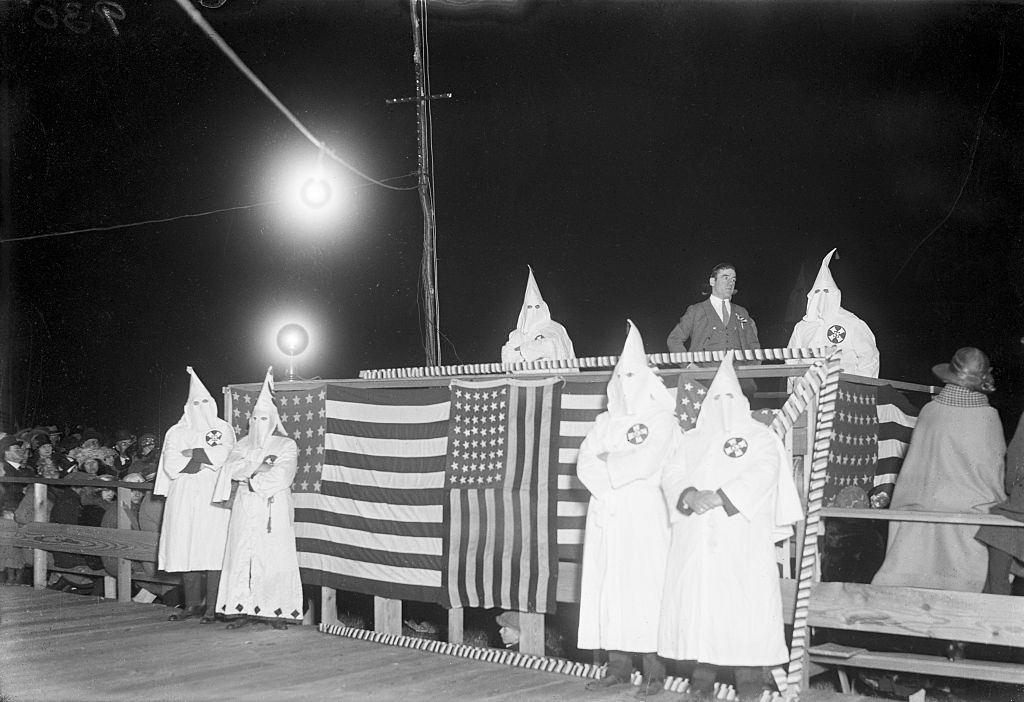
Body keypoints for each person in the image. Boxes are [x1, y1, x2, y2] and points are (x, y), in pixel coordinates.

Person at [658, 351, 803, 702]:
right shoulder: (692, 439)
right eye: (717, 398)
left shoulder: (760, 437)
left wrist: (723, 497)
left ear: (740, 401)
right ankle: (701, 686)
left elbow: (765, 471)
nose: (723, 405)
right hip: (696, 539)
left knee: (744, 615)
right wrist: (690, 495)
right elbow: (672, 473)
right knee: (702, 614)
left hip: (740, 538)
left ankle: (750, 688)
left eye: (729, 398)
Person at [577, 321, 679, 697]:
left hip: (645, 515)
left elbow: (647, 462)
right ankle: (617, 667)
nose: (626, 382)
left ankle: (654, 672)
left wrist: (610, 461)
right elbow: (584, 462)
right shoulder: (605, 421)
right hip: (606, 512)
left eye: (633, 374)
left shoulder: (661, 420)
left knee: (645, 590)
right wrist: (612, 470)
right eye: (621, 375)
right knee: (610, 589)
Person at [872, 348, 1006, 593]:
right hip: (967, 520)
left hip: (917, 513)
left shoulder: (930, 411)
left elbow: (912, 470)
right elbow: (993, 479)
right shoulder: (988, 417)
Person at [215, 367, 302, 630]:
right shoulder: (241, 444)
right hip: (244, 506)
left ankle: (275, 611)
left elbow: (282, 476)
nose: (258, 423)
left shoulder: (286, 445)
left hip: (273, 509)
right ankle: (241, 608)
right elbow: (231, 469)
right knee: (242, 554)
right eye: (254, 418)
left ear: (273, 420)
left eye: (264, 418)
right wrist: (258, 467)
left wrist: (251, 477)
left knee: (274, 556)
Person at [156, 367, 236, 623]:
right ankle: (191, 605)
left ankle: (211, 607)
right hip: (183, 497)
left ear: (212, 404)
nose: (200, 407)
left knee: (212, 550)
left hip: (213, 497)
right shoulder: (176, 431)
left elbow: (223, 455)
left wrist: (193, 453)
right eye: (195, 402)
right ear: (187, 406)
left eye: (205, 402)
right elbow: (170, 462)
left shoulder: (223, 429)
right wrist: (201, 459)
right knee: (186, 547)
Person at [787, 248, 879, 377]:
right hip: (806, 390)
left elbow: (869, 355)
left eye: (827, 292)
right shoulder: (802, 327)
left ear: (835, 294)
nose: (822, 297)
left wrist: (861, 386)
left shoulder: (851, 323)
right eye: (818, 292)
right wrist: (794, 385)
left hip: (842, 390)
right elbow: (792, 359)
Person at [976, 408, 1024, 595]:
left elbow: (1014, 465)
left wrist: (1013, 491)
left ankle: (996, 600)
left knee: (997, 527)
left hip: (1016, 513)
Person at [666, 263, 760, 357]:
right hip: (704, 370)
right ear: (712, 282)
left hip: (737, 370)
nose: (731, 283)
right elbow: (674, 339)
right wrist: (688, 365)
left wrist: (750, 367)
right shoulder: (695, 311)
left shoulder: (742, 312)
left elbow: (753, 345)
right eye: (725, 278)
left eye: (733, 279)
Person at [501, 266, 575, 364]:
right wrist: (533, 348)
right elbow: (507, 357)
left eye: (537, 307)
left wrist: (522, 350)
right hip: (523, 378)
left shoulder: (556, 328)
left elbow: (550, 345)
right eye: (529, 307)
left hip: (552, 377)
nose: (533, 311)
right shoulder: (516, 334)